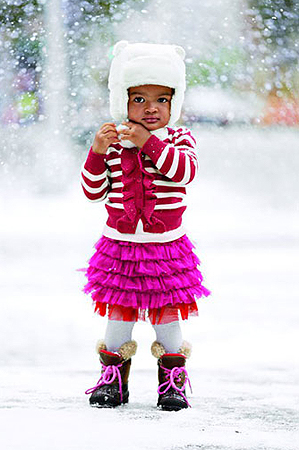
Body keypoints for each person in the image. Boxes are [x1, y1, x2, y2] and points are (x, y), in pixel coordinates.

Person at [81, 41, 210, 411]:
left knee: (167, 318)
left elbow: (185, 172)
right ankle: (113, 379)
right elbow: (93, 192)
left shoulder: (179, 138)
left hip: (166, 247)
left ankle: (172, 382)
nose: (151, 108)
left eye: (162, 99)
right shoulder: (114, 142)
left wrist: (149, 143)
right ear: (122, 100)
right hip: (119, 247)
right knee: (117, 318)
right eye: (138, 99)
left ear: (174, 102)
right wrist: (97, 152)